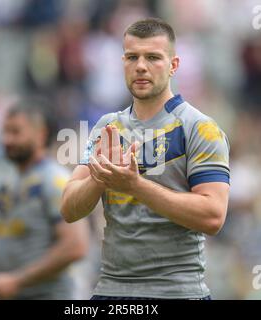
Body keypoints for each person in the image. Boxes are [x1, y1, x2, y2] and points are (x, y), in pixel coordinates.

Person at [61, 18, 230, 300]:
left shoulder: (199, 127)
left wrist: (134, 185)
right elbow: (69, 209)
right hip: (111, 291)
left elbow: (213, 216)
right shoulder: (107, 127)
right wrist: (99, 178)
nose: (141, 66)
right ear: (123, 62)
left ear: (174, 65)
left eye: (153, 57)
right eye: (132, 57)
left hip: (177, 292)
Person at [0, 97, 89, 300]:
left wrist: (17, 280)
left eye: (15, 132)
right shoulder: (5, 187)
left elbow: (75, 246)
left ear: (40, 134)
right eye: (5, 132)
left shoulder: (55, 182)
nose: (7, 140)